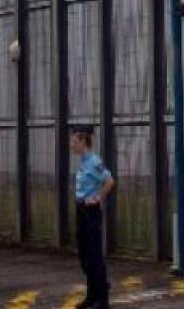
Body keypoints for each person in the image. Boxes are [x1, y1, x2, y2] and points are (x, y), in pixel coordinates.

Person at [70, 126, 115, 309]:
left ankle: (102, 299)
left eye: (74, 141)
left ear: (83, 141)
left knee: (94, 256)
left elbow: (109, 182)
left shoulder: (94, 162)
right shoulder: (84, 162)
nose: (72, 145)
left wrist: (98, 197)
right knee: (85, 255)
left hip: (90, 212)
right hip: (81, 210)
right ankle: (91, 296)